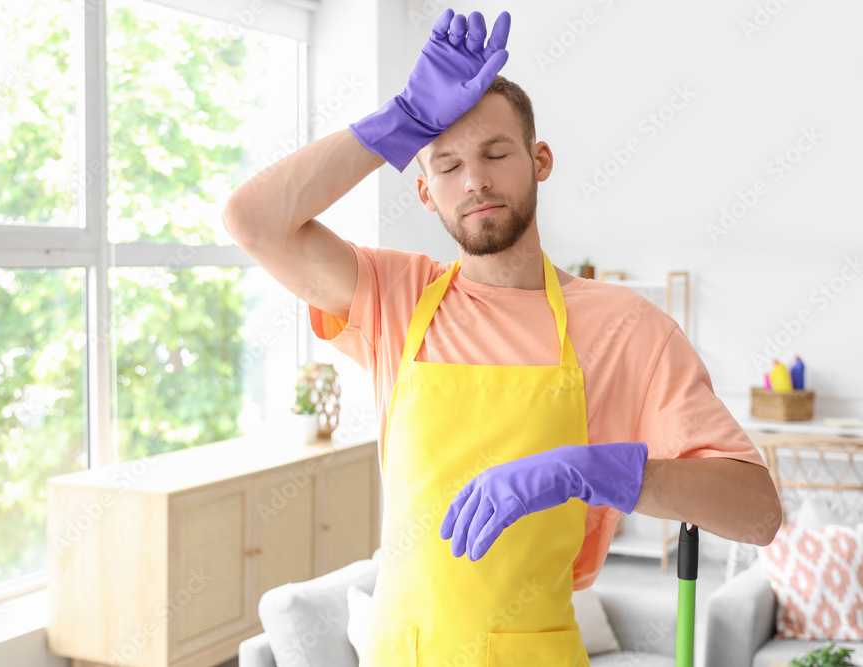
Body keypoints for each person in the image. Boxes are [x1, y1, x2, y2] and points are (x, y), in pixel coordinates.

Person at [224, 8, 782, 666]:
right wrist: (401, 119)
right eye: (449, 165)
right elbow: (252, 220)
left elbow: (757, 513)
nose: (477, 180)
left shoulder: (625, 326)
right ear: (426, 192)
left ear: (538, 160)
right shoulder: (395, 298)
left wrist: (593, 469)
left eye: (495, 153)